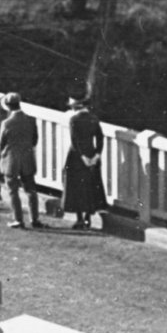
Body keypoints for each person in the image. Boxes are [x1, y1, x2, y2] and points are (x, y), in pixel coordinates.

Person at [62, 91, 107, 230]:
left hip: (76, 156)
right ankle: (88, 217)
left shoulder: (74, 120)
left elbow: (75, 141)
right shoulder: (93, 118)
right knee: (90, 186)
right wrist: (96, 155)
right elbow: (100, 137)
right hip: (91, 152)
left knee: (75, 186)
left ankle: (80, 218)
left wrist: (83, 157)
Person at [0, 92, 41, 229]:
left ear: (7, 106)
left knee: (13, 191)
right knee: (31, 190)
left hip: (11, 160)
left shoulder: (6, 123)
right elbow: (35, 140)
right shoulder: (31, 120)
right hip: (27, 158)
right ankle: (34, 219)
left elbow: (0, 144)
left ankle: (18, 219)